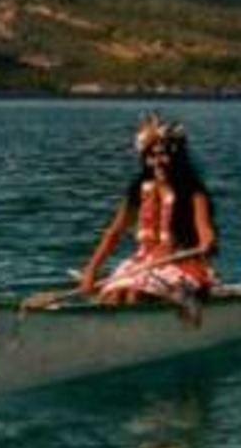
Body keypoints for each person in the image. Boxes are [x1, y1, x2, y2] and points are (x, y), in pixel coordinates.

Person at [80, 115, 218, 306]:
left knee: (135, 296)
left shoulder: (194, 193)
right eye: (152, 156)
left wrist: (207, 242)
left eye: (164, 154)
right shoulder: (139, 190)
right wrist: (91, 270)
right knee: (113, 296)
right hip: (143, 263)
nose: (157, 161)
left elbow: (205, 231)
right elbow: (115, 233)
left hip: (182, 265)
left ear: (177, 157)